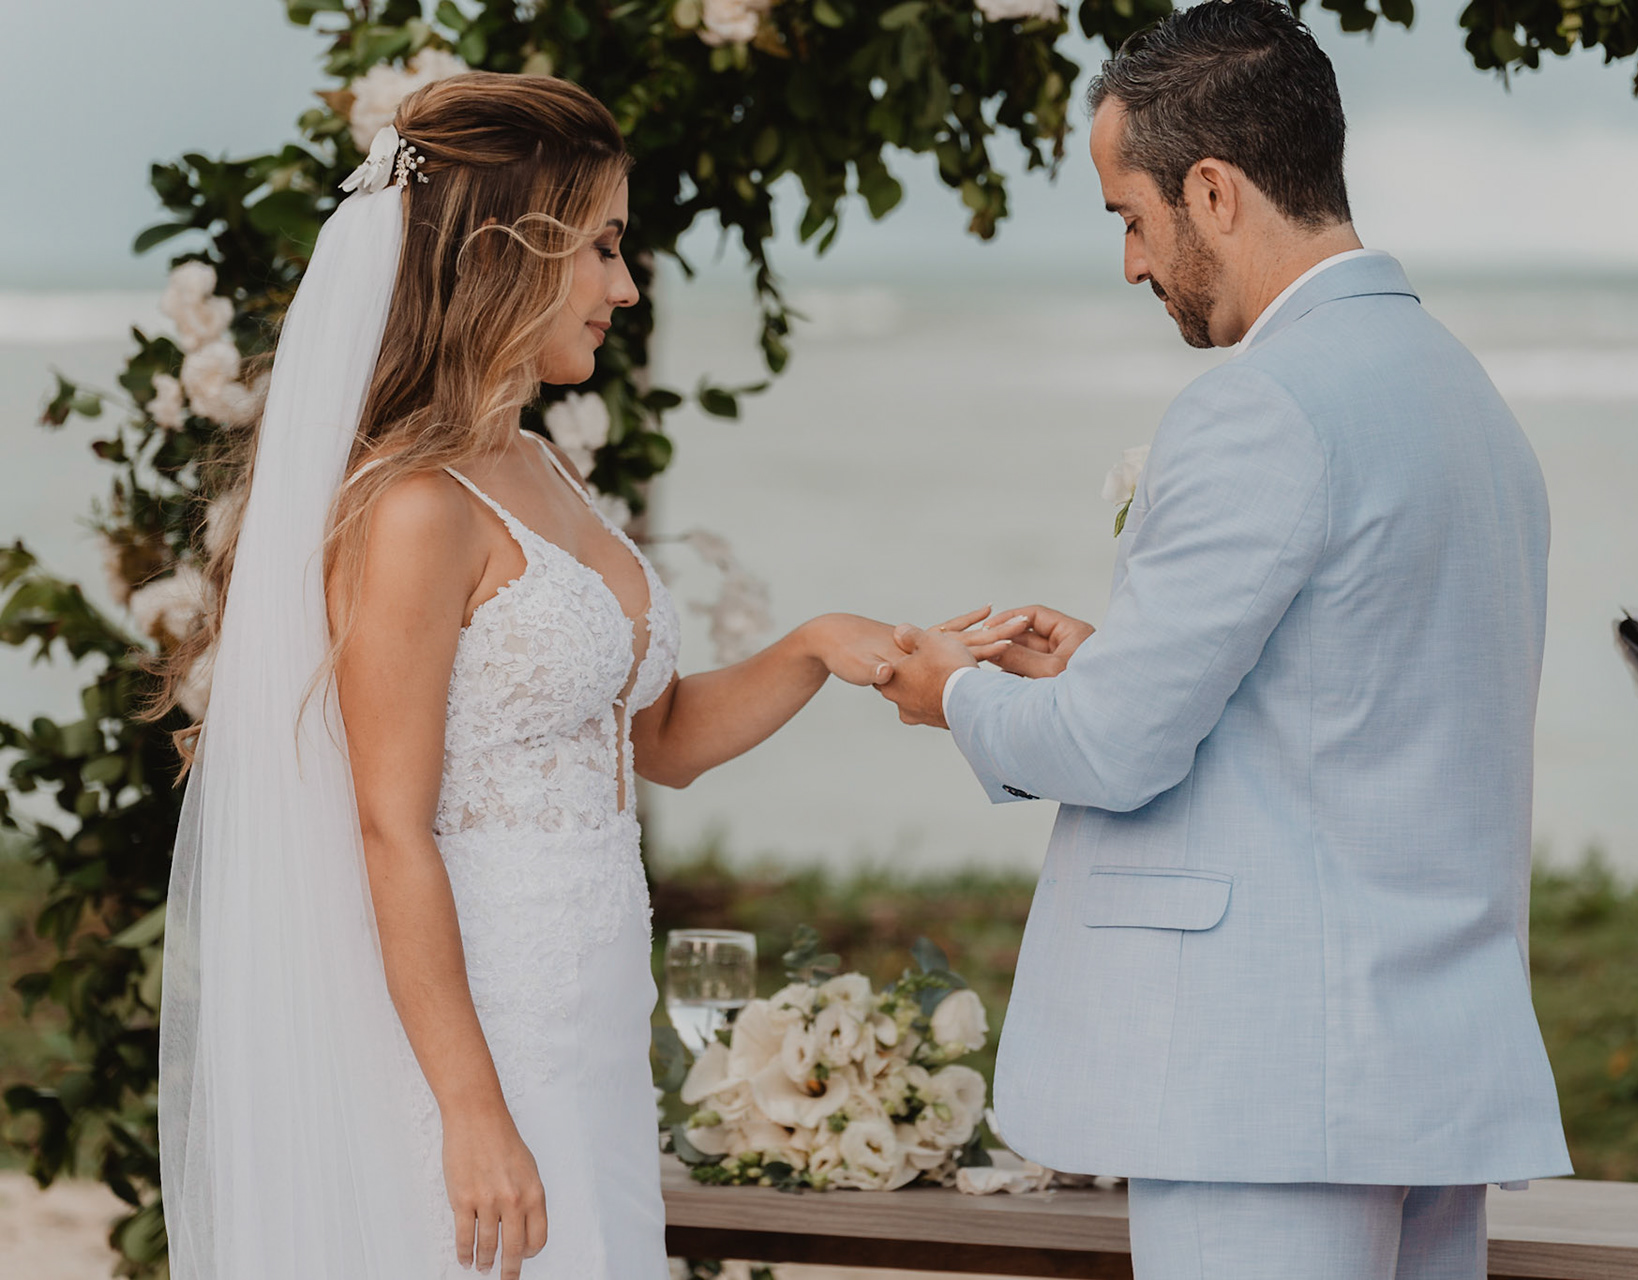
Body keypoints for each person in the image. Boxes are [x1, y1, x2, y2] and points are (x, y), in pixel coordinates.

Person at [154, 73, 1012, 1280]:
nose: (626, 284)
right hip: (478, 1031)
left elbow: (650, 735)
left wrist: (820, 644)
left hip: (593, 1018)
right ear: (507, 255)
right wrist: (470, 1107)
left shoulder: (539, 464)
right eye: (603, 246)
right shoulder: (412, 507)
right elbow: (389, 828)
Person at [876, 3, 1570, 1276]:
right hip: (1425, 1067)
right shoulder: (1464, 395)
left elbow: (1116, 746)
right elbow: (1355, 697)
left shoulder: (1256, 405)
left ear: (1213, 189)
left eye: (1129, 218)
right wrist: (1108, 655)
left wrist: (953, 694)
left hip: (1265, 1082)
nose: (1133, 265)